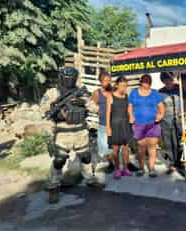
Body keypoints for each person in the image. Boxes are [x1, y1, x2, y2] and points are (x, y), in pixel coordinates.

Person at [45, 67, 105, 204]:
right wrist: (58, 114)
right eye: (66, 77)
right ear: (61, 77)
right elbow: (44, 110)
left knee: (86, 157)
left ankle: (90, 179)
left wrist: (83, 103)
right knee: (59, 159)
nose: (69, 80)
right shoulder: (53, 92)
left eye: (72, 77)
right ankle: (53, 186)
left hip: (80, 131)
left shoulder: (81, 92)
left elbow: (95, 109)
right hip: (62, 132)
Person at [128, 74, 164, 177]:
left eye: (149, 81)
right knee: (141, 147)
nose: (147, 83)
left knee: (152, 147)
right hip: (139, 124)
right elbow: (130, 106)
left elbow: (161, 107)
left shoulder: (154, 93)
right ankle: (141, 168)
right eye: (145, 81)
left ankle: (152, 169)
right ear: (141, 81)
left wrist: (160, 115)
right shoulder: (134, 92)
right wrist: (131, 116)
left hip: (153, 124)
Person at [159, 72, 186, 173]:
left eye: (169, 79)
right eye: (165, 79)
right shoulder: (160, 92)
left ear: (173, 79)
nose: (168, 81)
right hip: (165, 121)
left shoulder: (180, 89)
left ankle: (180, 163)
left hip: (179, 119)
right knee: (168, 143)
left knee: (179, 142)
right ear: (163, 80)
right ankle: (171, 164)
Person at [106, 76, 132, 179]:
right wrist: (108, 127)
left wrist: (131, 118)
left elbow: (129, 110)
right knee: (115, 149)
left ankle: (126, 168)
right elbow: (108, 113)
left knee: (126, 148)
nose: (124, 88)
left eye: (125, 86)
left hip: (125, 124)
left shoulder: (126, 96)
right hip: (114, 125)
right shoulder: (110, 96)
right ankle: (117, 169)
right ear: (116, 85)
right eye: (122, 86)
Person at [91, 71, 114, 174]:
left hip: (115, 123)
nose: (108, 82)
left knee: (117, 146)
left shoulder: (114, 91)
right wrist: (99, 112)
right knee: (105, 146)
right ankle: (111, 164)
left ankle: (122, 164)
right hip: (103, 123)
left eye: (109, 80)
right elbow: (93, 106)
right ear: (100, 81)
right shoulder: (96, 93)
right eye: (105, 81)